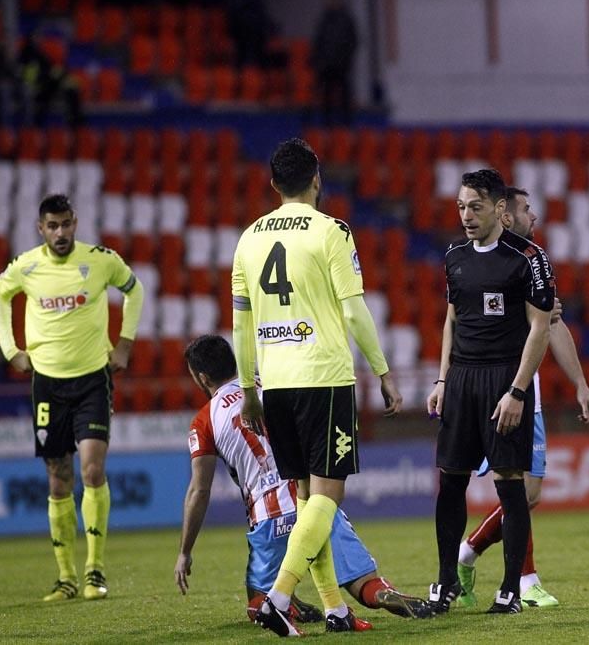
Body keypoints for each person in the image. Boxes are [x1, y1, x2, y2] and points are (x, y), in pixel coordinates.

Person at [231, 137, 402, 636]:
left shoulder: (248, 239)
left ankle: (334, 609)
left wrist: (247, 389)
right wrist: (383, 370)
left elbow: (240, 325)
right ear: (317, 178)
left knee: (307, 496)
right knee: (328, 494)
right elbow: (353, 309)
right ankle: (278, 597)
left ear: (272, 184)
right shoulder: (333, 231)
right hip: (322, 376)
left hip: (275, 381)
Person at [174, 335, 433, 623]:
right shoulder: (273, 386)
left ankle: (287, 604)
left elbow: (200, 490)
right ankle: (382, 593)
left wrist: (185, 551)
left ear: (202, 377)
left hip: (266, 517)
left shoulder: (203, 421)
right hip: (310, 497)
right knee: (364, 583)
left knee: (258, 600)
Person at [0, 194, 144, 601]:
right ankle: (66, 577)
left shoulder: (101, 260)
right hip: (47, 384)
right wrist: (10, 350)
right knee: (58, 478)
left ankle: (95, 571)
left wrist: (124, 344)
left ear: (76, 223)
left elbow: (135, 290)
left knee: (92, 471)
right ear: (41, 229)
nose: (61, 233)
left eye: (66, 224)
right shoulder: (26, 266)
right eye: (52, 226)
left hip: (93, 378)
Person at [455, 187, 589, 609]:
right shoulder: (498, 264)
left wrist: (581, 383)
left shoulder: (533, 263)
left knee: (526, 492)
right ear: (509, 216)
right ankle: (524, 579)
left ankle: (470, 554)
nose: (534, 215)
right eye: (527, 209)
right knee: (521, 489)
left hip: (522, 391)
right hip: (499, 389)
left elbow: (554, 327)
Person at [426, 169, 556, 615]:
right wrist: (443, 379)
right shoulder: (454, 256)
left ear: (500, 209)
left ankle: (510, 591)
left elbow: (540, 329)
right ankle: (445, 583)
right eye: (461, 206)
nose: (466, 215)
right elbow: (451, 320)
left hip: (504, 379)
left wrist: (518, 392)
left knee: (511, 484)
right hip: (461, 380)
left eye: (475, 206)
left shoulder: (529, 258)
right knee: (450, 483)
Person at [312, 0, 358, 125]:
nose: (330, 2)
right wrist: (320, 59)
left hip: (341, 64)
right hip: (327, 64)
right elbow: (318, 41)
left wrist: (346, 58)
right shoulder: (324, 20)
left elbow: (353, 40)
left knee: (344, 94)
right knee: (327, 94)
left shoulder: (346, 20)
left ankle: (346, 122)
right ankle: (327, 122)